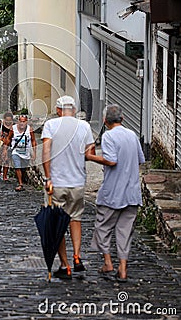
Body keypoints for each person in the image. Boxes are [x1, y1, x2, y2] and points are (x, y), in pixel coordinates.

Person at [85, 104, 145, 282]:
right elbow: (141, 159)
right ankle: (123, 268)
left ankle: (108, 262)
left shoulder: (108, 136)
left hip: (112, 192)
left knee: (103, 227)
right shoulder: (132, 135)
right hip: (132, 192)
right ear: (123, 118)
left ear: (105, 121)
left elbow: (111, 161)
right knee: (125, 231)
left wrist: (90, 157)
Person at [41, 95, 95, 280]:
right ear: (73, 109)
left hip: (57, 183)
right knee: (75, 220)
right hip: (78, 182)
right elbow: (90, 153)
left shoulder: (51, 125)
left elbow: (46, 151)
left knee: (57, 225)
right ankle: (77, 256)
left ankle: (65, 265)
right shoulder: (85, 127)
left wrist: (48, 177)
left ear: (58, 110)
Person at [8, 114, 37, 192]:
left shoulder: (29, 130)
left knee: (23, 168)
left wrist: (34, 153)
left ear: (26, 122)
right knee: (17, 167)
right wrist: (5, 149)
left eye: (23, 121)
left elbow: (33, 141)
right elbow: (8, 139)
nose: (21, 123)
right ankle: (20, 184)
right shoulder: (13, 129)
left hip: (25, 153)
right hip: (15, 151)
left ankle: (22, 179)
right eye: (20, 121)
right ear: (18, 121)